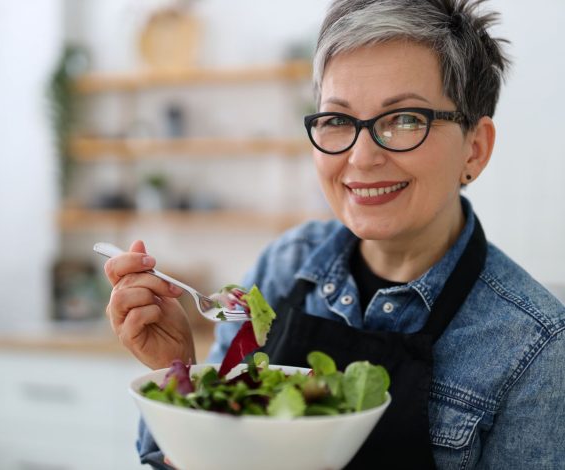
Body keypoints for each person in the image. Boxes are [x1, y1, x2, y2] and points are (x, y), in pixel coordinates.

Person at [103, 0, 565, 468]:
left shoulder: (535, 347)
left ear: (475, 149)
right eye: (338, 120)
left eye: (404, 119)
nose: (361, 158)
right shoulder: (283, 266)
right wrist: (177, 371)